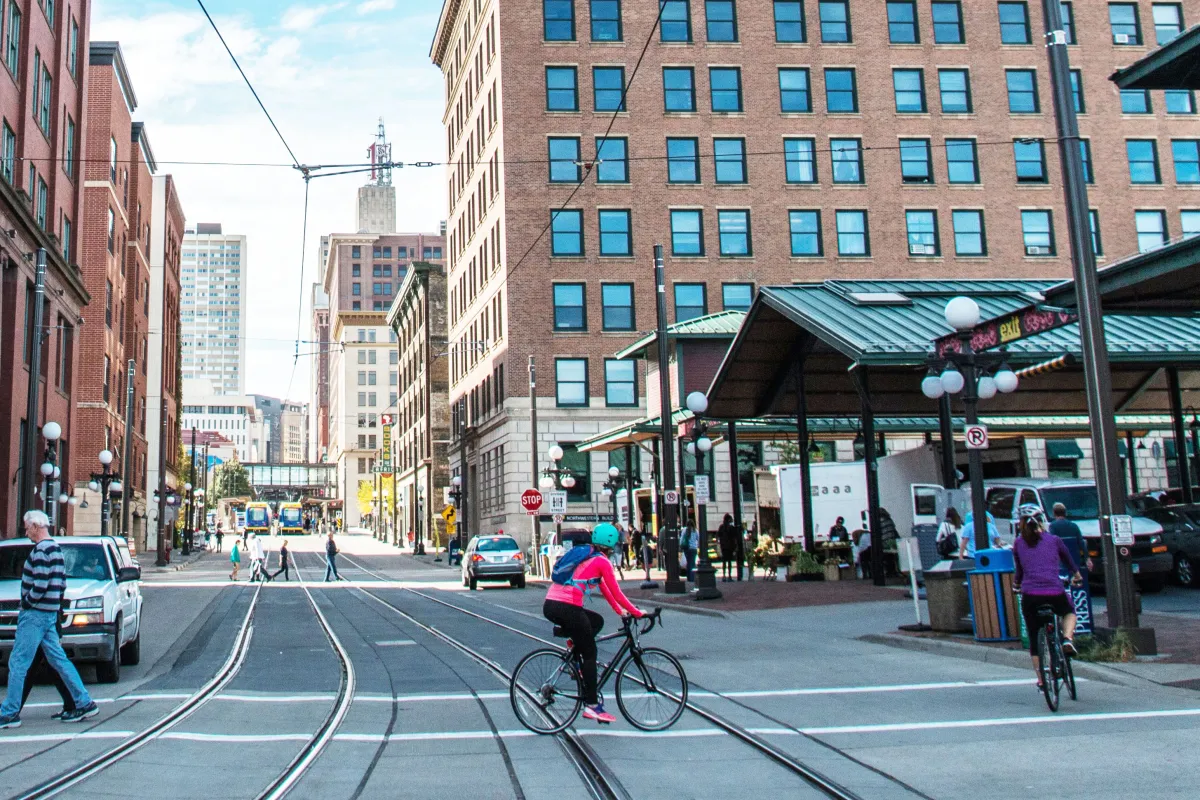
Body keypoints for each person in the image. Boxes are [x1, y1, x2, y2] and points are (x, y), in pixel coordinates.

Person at [0, 511, 99, 729]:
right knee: (58, 659)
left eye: (27, 528)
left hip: (34, 614)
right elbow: (61, 584)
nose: (26, 532)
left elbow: (41, 584)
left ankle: (9, 713)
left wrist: (27, 601)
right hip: (49, 613)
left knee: (18, 662)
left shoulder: (40, 551)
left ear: (36, 526)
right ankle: (83, 701)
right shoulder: (56, 549)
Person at [543, 523, 645, 725]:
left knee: (596, 621)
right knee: (590, 653)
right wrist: (636, 612)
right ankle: (592, 705)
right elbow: (616, 591)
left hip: (552, 604)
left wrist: (620, 612)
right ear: (611, 543)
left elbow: (606, 590)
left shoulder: (589, 556)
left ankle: (575, 651)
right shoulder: (602, 562)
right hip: (566, 607)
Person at [1013, 514, 1083, 687]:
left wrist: (1016, 585)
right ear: (1042, 525)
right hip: (1054, 591)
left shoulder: (1018, 543)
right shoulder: (1054, 540)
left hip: (1030, 594)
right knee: (1069, 612)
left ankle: (1041, 679)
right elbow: (1068, 560)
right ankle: (1067, 639)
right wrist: (1077, 575)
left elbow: (1020, 571)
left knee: (1034, 634)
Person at [1048, 502, 1093, 573]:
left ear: (1054, 513)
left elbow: (1052, 544)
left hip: (1061, 560)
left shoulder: (1053, 526)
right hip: (1075, 559)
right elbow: (1081, 543)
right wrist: (1087, 558)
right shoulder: (1074, 526)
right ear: (1065, 513)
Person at [718, 513, 738, 582]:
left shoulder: (721, 527)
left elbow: (718, 536)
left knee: (724, 561)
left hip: (723, 546)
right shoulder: (731, 528)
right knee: (729, 561)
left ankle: (724, 576)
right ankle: (729, 576)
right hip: (730, 546)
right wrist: (735, 546)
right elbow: (734, 537)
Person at [681, 518, 699, 583]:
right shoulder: (695, 530)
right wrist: (697, 546)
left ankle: (689, 577)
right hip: (693, 548)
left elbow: (682, 538)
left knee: (688, 562)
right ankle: (692, 577)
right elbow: (698, 539)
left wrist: (681, 545)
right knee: (692, 563)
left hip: (687, 548)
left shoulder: (684, 530)